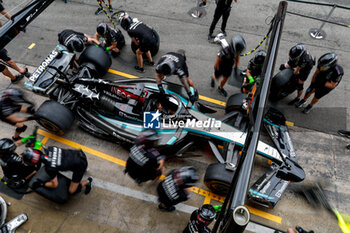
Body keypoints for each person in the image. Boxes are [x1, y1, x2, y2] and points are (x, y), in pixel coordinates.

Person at [23, 146, 93, 195]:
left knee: (72, 191)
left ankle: (88, 181)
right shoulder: (51, 148)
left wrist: (42, 184)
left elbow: (54, 185)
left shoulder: (49, 168)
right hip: (79, 154)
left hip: (81, 165)